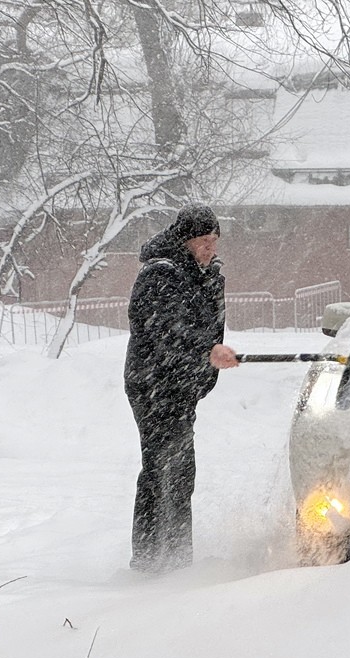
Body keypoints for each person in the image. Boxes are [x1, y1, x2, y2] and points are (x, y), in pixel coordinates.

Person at [124, 203, 239, 573]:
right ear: (186, 240)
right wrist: (206, 350)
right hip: (154, 385)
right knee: (163, 470)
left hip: (181, 385)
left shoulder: (205, 275)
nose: (211, 248)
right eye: (204, 241)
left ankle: (171, 560)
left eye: (215, 240)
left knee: (177, 473)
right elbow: (166, 329)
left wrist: (209, 359)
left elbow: (210, 327)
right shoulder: (161, 274)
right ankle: (153, 563)